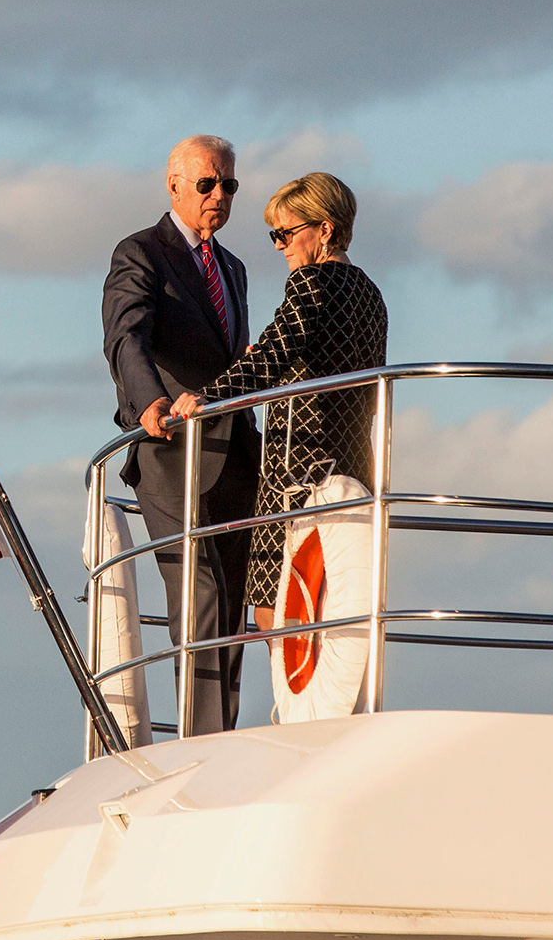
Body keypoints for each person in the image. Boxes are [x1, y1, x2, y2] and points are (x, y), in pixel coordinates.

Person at [171, 172, 387, 634]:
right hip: (354, 467)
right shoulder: (371, 294)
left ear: (324, 229)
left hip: (298, 469)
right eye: (276, 235)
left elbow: (272, 355)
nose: (279, 245)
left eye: (286, 233)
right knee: (333, 604)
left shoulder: (311, 282)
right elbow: (350, 377)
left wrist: (209, 397)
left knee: (275, 609)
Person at [102, 135, 261, 733]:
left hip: (235, 453)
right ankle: (202, 742)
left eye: (229, 185)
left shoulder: (234, 268)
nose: (219, 195)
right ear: (174, 186)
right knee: (201, 593)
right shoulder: (140, 252)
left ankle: (221, 736)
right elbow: (126, 335)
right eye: (207, 183)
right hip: (170, 451)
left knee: (233, 603)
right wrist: (150, 400)